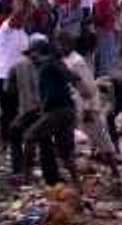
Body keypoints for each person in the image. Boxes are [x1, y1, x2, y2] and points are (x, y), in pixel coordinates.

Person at [23, 38, 85, 186]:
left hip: (58, 110)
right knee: (65, 152)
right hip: (67, 111)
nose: (30, 58)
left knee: (29, 136)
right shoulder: (49, 64)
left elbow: (71, 76)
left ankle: (26, 178)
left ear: (37, 52)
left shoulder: (49, 63)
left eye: (31, 54)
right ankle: (77, 183)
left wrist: (70, 78)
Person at [57, 33, 119, 178]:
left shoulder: (76, 61)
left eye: (62, 45)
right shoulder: (66, 60)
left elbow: (88, 88)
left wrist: (88, 108)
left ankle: (114, 171)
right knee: (70, 137)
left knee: (100, 137)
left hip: (85, 106)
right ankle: (73, 171)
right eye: (58, 45)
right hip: (74, 105)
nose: (59, 47)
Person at [0, 11, 28, 144]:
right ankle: (5, 140)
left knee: (16, 110)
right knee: (7, 111)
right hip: (4, 75)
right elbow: (15, 16)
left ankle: (14, 140)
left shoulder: (23, 33)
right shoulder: (4, 31)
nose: (22, 20)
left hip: (19, 76)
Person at [92, 0, 118, 77]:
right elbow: (107, 13)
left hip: (101, 27)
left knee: (99, 50)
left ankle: (98, 72)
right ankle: (103, 74)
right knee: (106, 52)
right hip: (105, 28)